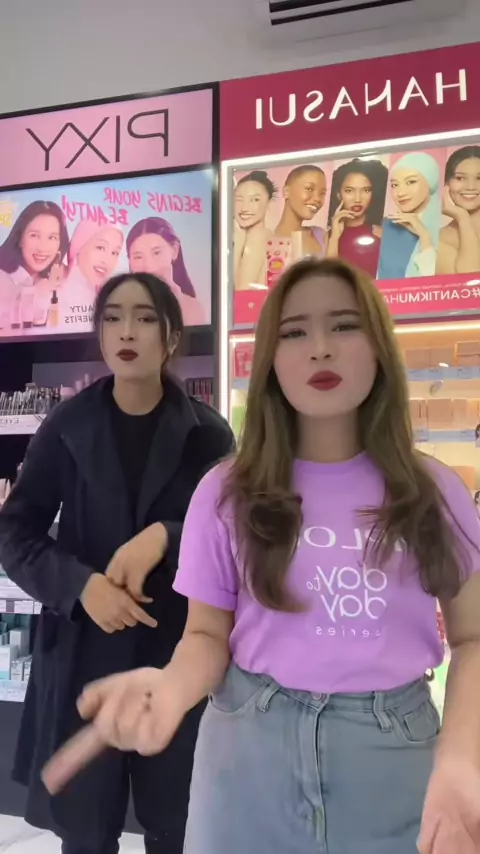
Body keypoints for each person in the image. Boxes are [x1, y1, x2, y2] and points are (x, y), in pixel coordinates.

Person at [43, 257, 480, 854]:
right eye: (294, 332)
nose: (320, 348)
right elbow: (206, 636)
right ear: (270, 358)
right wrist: (169, 690)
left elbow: (472, 637)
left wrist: (461, 760)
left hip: (394, 760)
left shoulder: (436, 492)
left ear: (380, 345)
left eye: (344, 325)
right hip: (248, 756)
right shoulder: (225, 492)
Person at [0, 271, 234, 854]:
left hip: (175, 657)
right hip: (85, 655)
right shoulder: (66, 426)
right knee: (86, 831)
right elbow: (15, 531)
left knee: (177, 824)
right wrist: (80, 587)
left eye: (145, 318)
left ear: (171, 337)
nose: (127, 331)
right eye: (112, 317)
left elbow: (233, 539)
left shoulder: (208, 435)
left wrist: (165, 536)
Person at [0, 200, 69, 329]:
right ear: (20, 238)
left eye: (52, 237)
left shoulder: (55, 279)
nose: (42, 248)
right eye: (34, 235)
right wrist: (35, 293)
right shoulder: (3, 277)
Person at [127, 218, 204, 326]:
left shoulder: (191, 308)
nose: (148, 266)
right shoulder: (119, 308)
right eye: (138, 257)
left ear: (174, 250)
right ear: (129, 260)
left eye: (156, 253)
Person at [377, 152, 442, 280]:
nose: (400, 193)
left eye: (411, 182)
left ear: (430, 181)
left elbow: (436, 283)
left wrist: (424, 235)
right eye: (395, 185)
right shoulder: (386, 227)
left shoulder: (444, 227)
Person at [326, 158, 388, 277]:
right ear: (339, 194)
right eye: (349, 191)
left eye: (366, 190)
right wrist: (334, 238)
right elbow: (329, 277)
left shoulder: (382, 231)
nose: (358, 199)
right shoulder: (328, 236)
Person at [437, 146, 480, 275]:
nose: (471, 187)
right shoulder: (438, 240)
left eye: (479, 178)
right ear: (447, 183)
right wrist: (463, 218)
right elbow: (471, 280)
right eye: (460, 178)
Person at [233, 170, 276, 290]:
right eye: (239, 200)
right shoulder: (269, 236)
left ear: (269, 203)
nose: (244, 208)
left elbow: (242, 290)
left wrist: (237, 244)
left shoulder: (258, 236)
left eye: (255, 200)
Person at [274, 164, 328, 256]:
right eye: (309, 189)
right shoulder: (267, 240)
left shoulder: (321, 235)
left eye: (322, 193)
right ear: (286, 192)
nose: (317, 199)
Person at [64, 220, 124, 299]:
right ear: (79, 245)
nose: (107, 260)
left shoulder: (110, 297)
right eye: (100, 248)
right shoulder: (54, 290)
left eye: (114, 253)